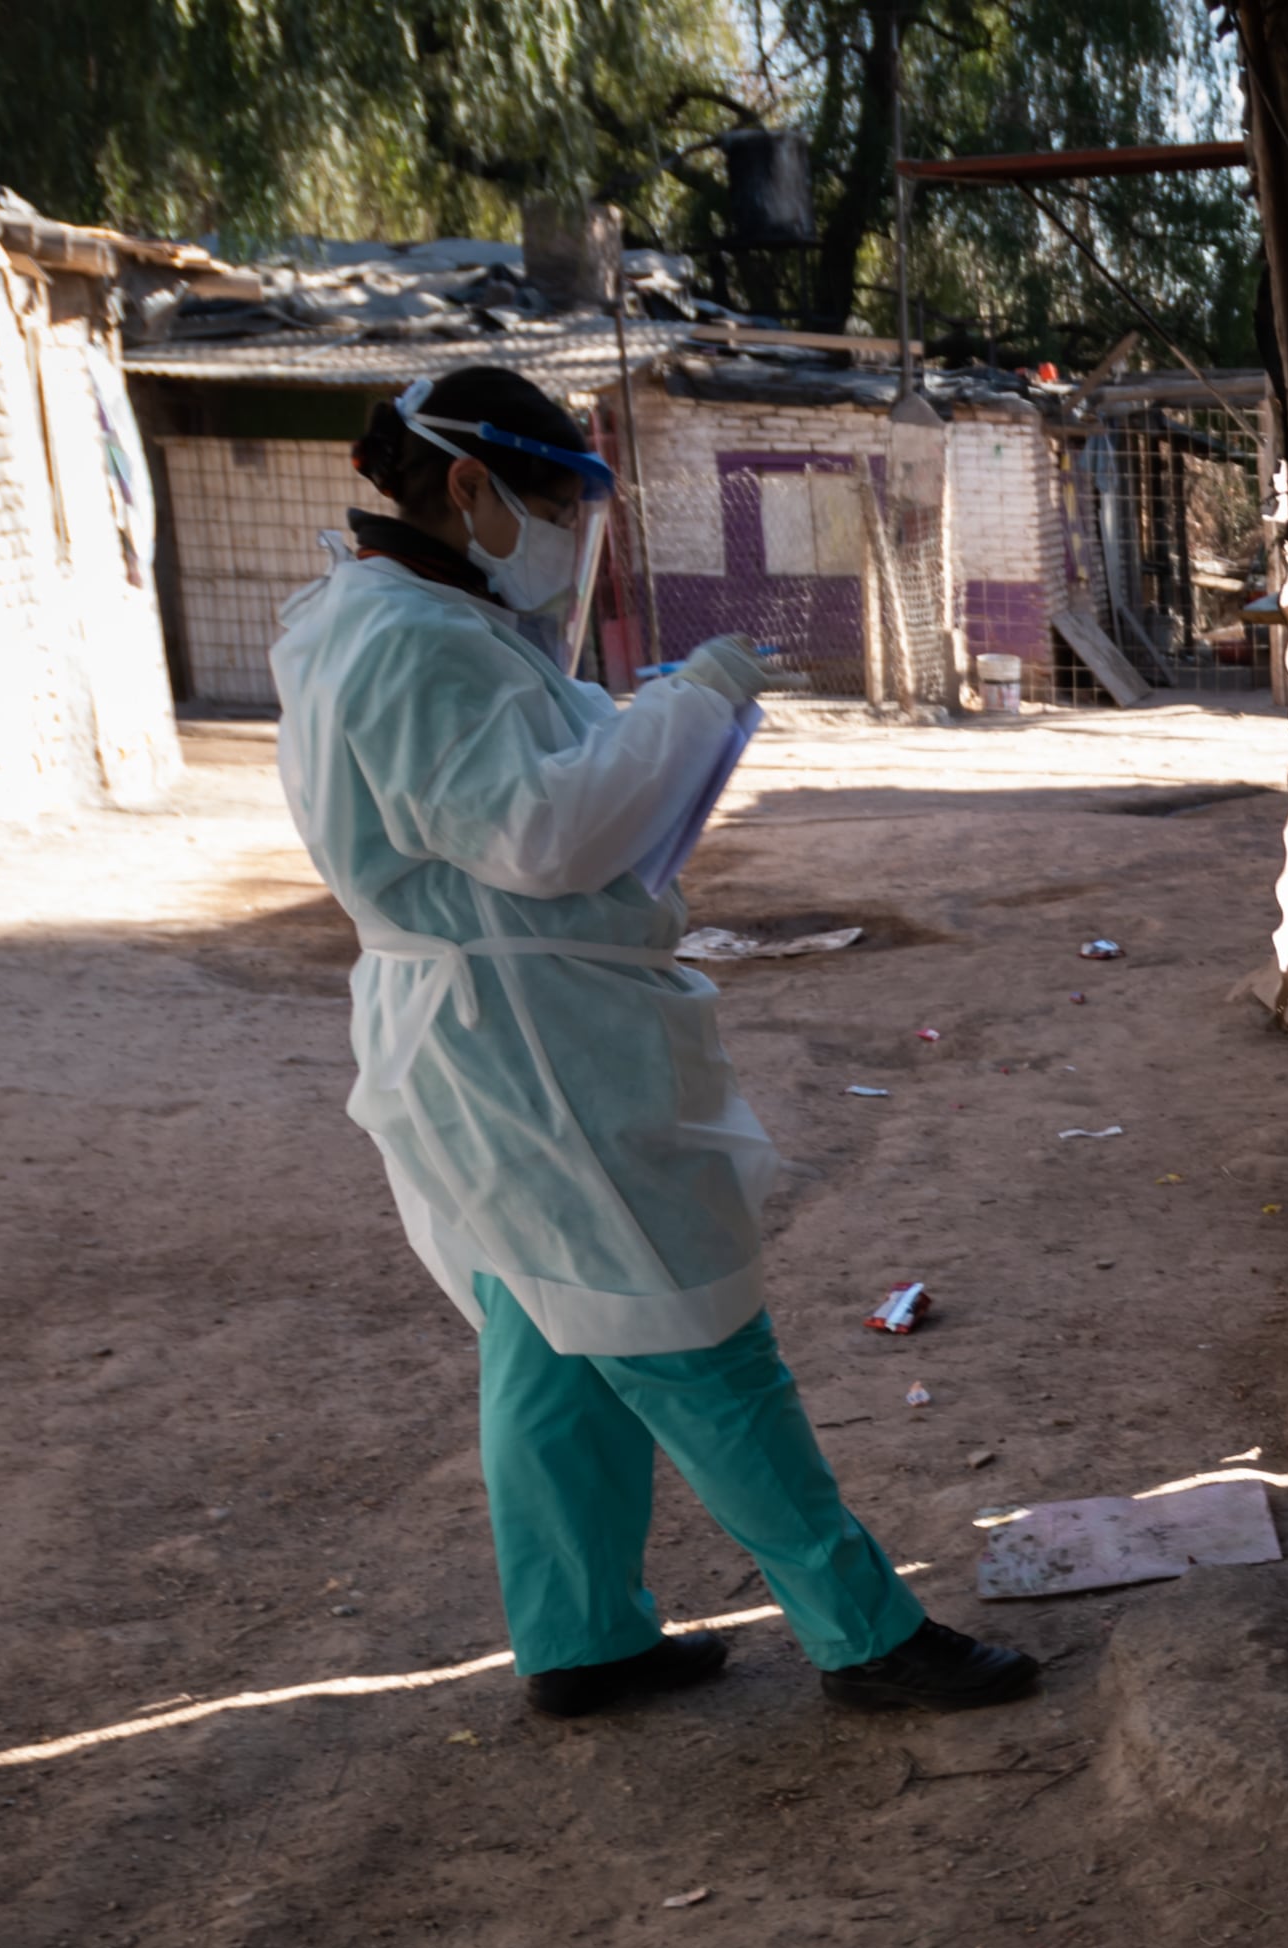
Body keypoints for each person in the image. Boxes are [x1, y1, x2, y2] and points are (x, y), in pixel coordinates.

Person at [271, 365, 1035, 1719]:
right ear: (468, 485)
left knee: (546, 1340)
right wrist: (688, 708)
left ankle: (583, 1637)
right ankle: (863, 1631)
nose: (570, 530)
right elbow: (541, 833)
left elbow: (527, 792)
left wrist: (670, 714)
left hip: (512, 1025)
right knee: (696, 1329)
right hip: (527, 1045)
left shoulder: (411, 617)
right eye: (557, 500)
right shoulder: (409, 642)